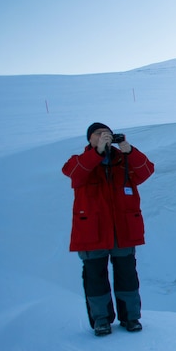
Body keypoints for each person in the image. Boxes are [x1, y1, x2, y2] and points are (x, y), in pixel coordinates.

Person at [62, 123, 155, 336]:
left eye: (107, 134)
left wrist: (129, 149)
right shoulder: (78, 161)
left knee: (127, 276)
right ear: (89, 138)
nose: (104, 136)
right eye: (98, 134)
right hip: (91, 231)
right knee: (95, 278)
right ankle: (101, 320)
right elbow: (76, 175)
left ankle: (130, 317)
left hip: (122, 230)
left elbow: (146, 171)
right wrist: (97, 153)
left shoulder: (123, 160)